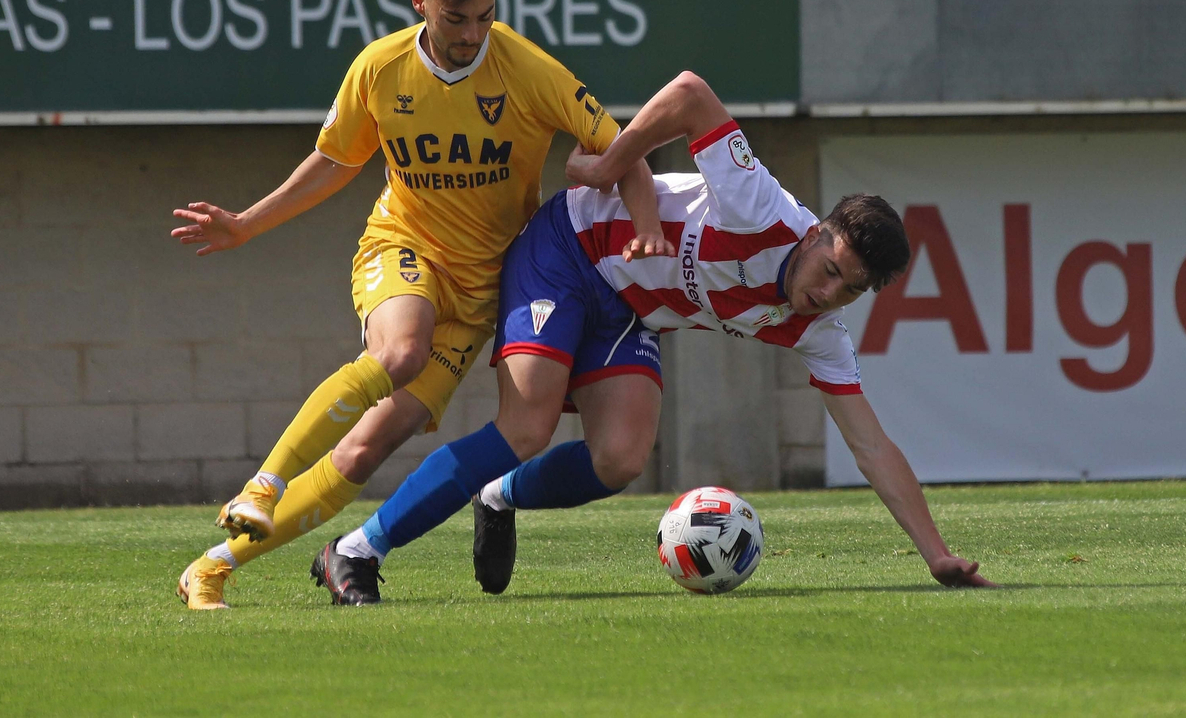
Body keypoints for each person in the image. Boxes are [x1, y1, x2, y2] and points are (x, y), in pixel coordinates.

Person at [308, 70, 994, 606]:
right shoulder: (764, 209)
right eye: (829, 269)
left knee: (620, 458)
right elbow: (692, 93)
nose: (825, 292)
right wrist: (614, 164)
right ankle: (358, 550)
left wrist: (935, 553)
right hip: (568, 248)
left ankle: (499, 496)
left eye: (848, 289)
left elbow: (871, 443)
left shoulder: (819, 328)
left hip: (627, 307)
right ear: (816, 235)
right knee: (527, 425)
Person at [172, 0, 669, 610]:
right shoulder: (380, 69)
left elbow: (625, 150)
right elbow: (335, 162)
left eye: (486, 16)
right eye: (455, 17)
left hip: (480, 292)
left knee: (361, 453)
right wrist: (247, 223)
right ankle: (265, 483)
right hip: (402, 248)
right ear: (419, 2)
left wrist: (646, 226)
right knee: (401, 350)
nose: (472, 33)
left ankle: (212, 567)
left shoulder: (529, 71)